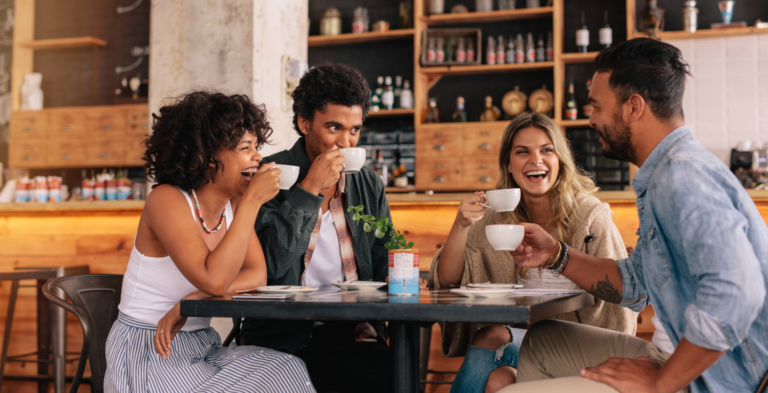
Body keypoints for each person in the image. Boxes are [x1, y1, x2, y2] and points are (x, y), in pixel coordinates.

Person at [502, 38, 768, 393]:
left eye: (597, 106)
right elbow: (636, 282)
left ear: (633, 107)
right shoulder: (667, 172)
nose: (591, 118)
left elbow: (738, 292)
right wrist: (555, 254)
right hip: (685, 363)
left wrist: (661, 381)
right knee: (542, 340)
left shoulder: (681, 177)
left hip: (723, 381)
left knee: (509, 391)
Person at [104, 92, 314, 393]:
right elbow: (215, 280)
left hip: (200, 345)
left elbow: (257, 275)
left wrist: (192, 302)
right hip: (150, 348)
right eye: (245, 148)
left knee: (287, 368)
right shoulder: (167, 200)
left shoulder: (234, 205)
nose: (258, 157)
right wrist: (253, 200)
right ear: (207, 156)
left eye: (257, 147)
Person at [239, 63, 424, 393]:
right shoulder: (271, 174)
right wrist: (309, 189)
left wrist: (393, 276)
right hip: (285, 333)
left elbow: (381, 251)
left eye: (354, 130)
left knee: (399, 383)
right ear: (305, 123)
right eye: (334, 128)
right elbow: (269, 266)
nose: (346, 141)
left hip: (352, 332)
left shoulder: (367, 181)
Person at [428, 112, 638, 393]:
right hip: (527, 342)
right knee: (499, 379)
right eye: (522, 152)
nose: (535, 160)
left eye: (546, 150)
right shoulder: (497, 219)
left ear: (560, 161)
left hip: (583, 347)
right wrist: (460, 225)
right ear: (509, 164)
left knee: (491, 337)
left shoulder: (590, 216)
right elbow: (448, 280)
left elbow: (618, 303)